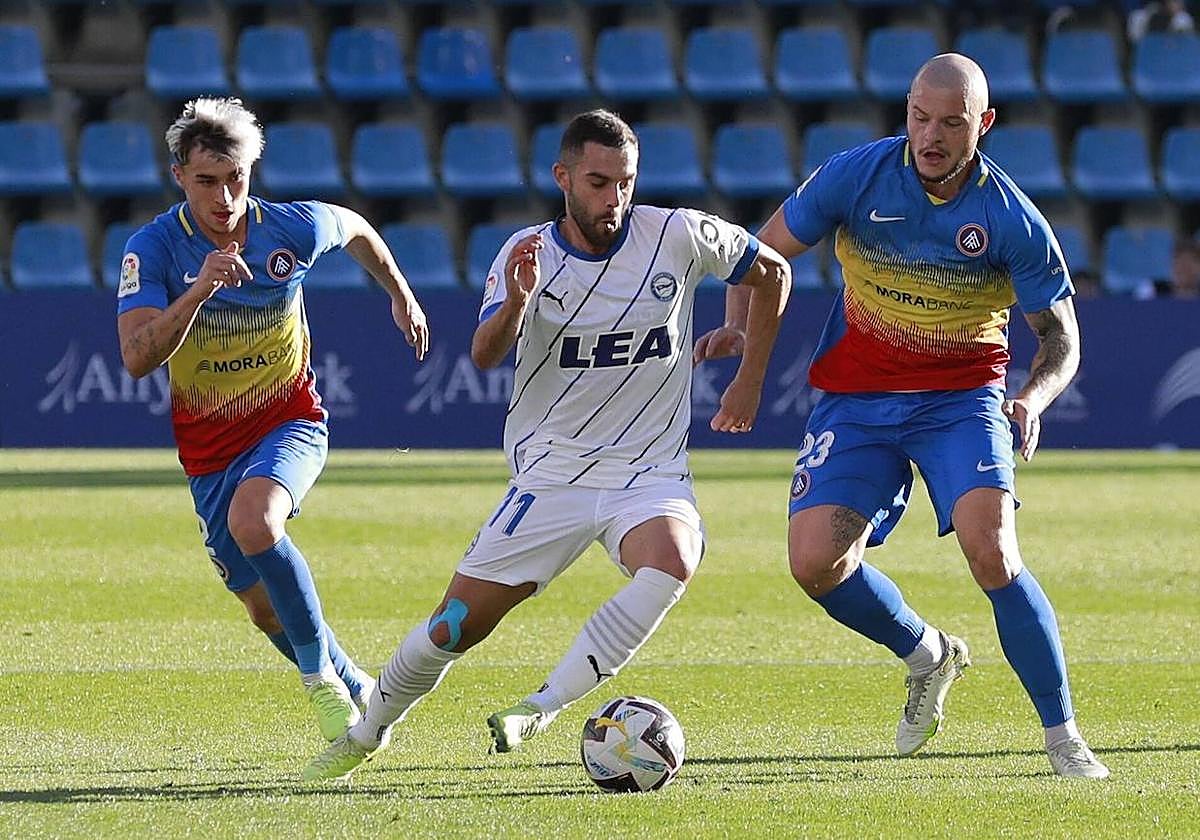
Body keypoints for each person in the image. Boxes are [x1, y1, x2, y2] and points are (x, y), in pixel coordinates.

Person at [303, 108, 792, 781]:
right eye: (598, 182)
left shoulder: (675, 233)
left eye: (625, 182)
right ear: (563, 177)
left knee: (673, 559)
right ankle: (368, 732)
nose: (613, 198)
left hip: (646, 473)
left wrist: (749, 381)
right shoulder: (525, 254)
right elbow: (482, 353)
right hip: (552, 477)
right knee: (451, 628)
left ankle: (542, 706)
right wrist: (516, 303)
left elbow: (772, 274)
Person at [695, 54, 1109, 780]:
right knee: (813, 563)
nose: (932, 136)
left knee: (993, 550)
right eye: (921, 118)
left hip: (960, 400)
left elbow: (1062, 336)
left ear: (983, 124)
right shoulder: (856, 176)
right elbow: (758, 254)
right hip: (857, 400)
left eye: (952, 123)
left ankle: (1063, 736)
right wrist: (735, 325)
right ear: (907, 113)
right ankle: (929, 654)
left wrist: (1031, 397)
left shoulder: (1010, 218)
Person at [116, 97, 430, 743]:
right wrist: (198, 290)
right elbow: (137, 357)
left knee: (256, 521)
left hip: (288, 420)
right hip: (206, 450)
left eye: (236, 179)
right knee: (263, 612)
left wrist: (401, 295)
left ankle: (319, 683)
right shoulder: (152, 248)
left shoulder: (290, 228)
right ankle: (357, 686)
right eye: (207, 181)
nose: (225, 197)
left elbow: (358, 229)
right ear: (179, 176)